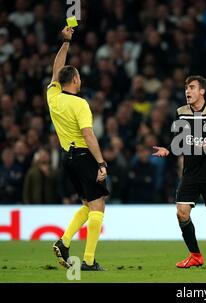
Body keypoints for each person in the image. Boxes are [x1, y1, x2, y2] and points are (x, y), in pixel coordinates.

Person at [153, 75, 206, 269]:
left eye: (192, 87)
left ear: (202, 91)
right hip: (190, 172)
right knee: (182, 213)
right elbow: (177, 139)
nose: (187, 91)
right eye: (186, 88)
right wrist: (168, 150)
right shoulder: (181, 112)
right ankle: (195, 255)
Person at [48, 27, 109, 271]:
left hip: (68, 158)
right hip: (84, 156)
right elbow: (88, 134)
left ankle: (63, 242)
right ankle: (89, 261)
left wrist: (65, 42)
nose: (81, 80)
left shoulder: (53, 96)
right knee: (98, 205)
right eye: (79, 77)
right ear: (74, 80)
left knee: (87, 204)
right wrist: (102, 162)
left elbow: (56, 70)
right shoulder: (80, 104)